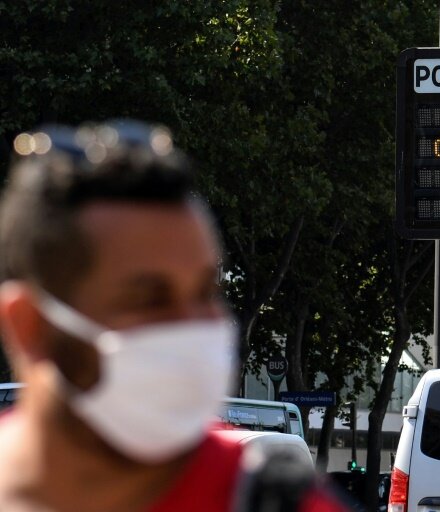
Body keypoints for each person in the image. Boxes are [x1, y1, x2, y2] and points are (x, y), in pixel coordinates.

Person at [0, 120, 348, 512]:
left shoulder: (274, 502)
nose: (193, 326)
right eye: (149, 299)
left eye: (205, 292)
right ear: (29, 325)